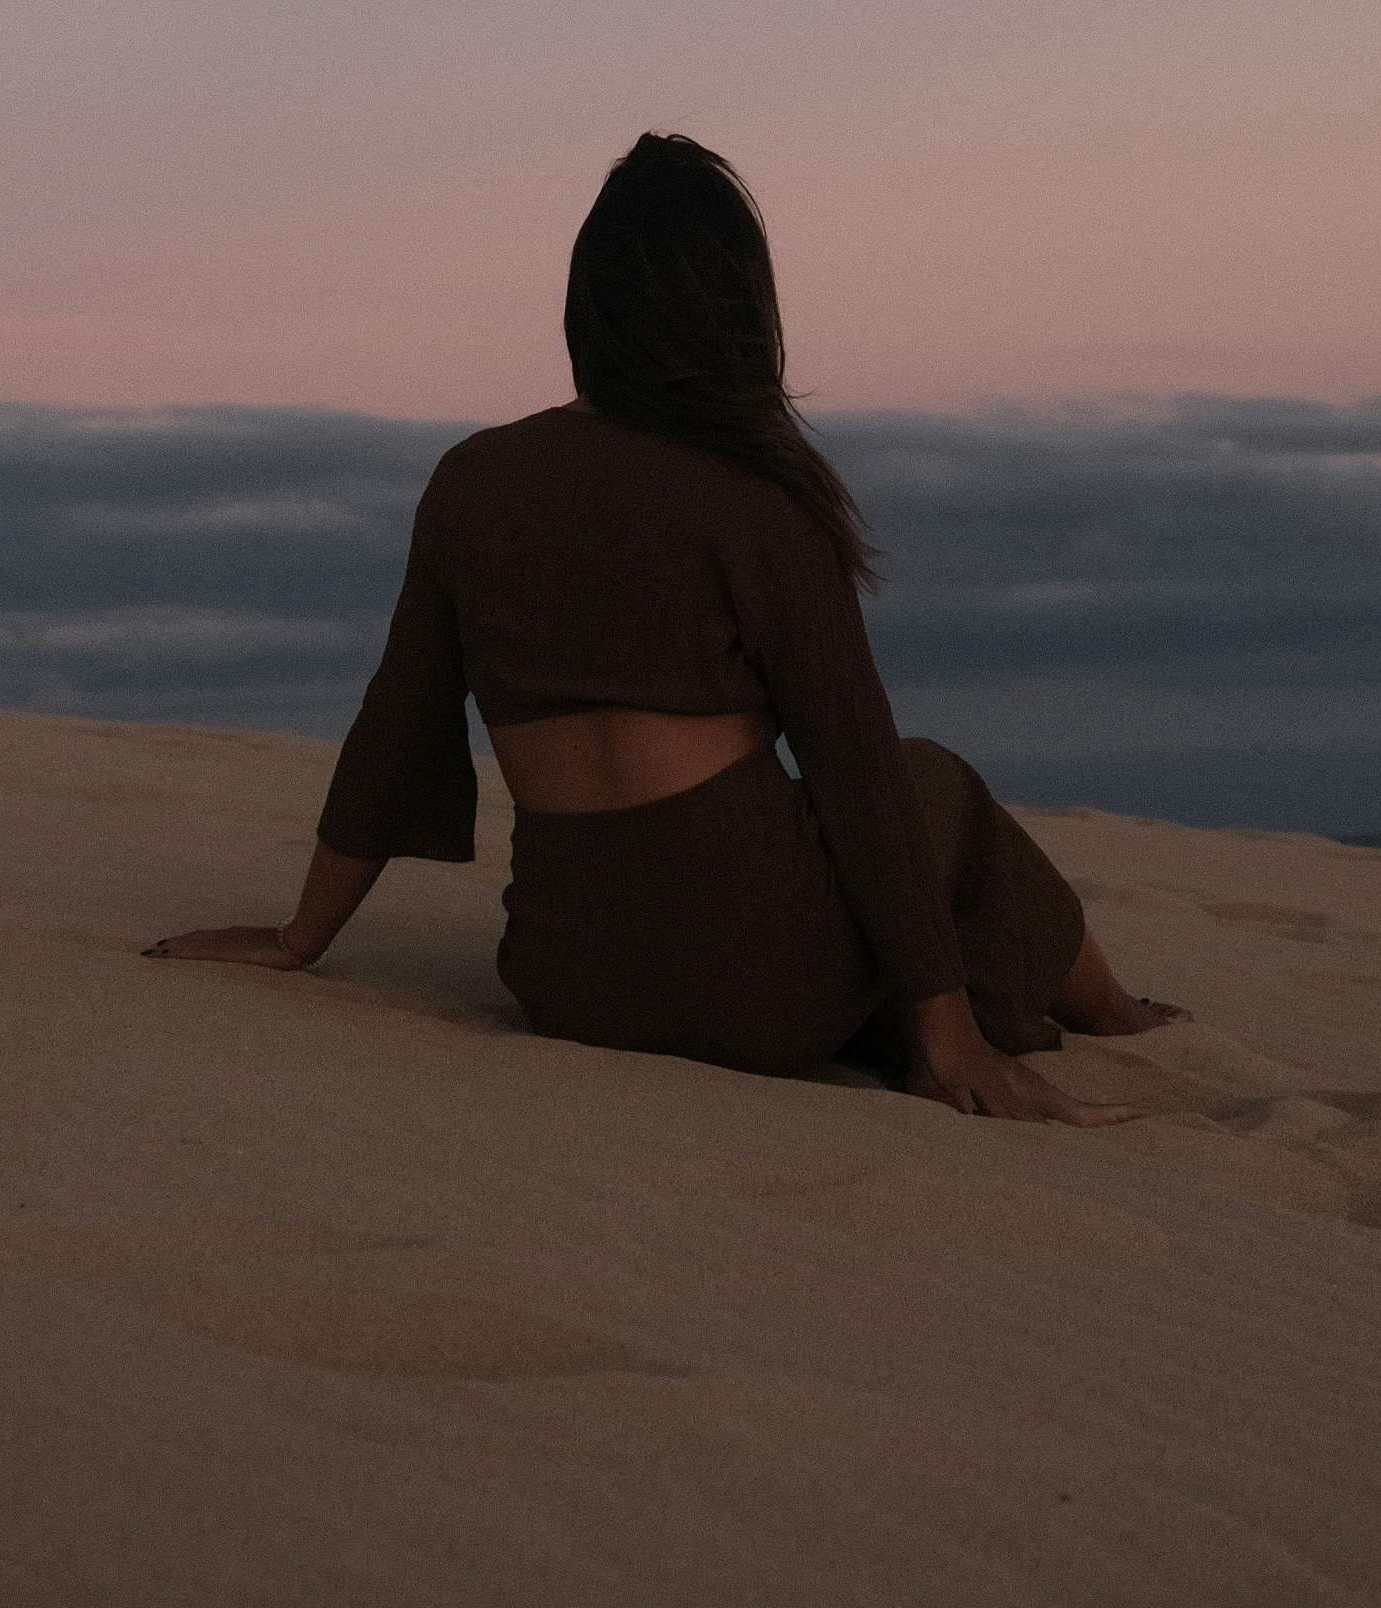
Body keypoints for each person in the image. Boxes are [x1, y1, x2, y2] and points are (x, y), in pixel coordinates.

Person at [147, 135, 1178, 1122]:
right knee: (935, 784)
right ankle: (1107, 1010)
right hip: (758, 997)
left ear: (587, 306)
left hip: (565, 986)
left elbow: (398, 724)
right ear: (737, 312)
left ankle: (1013, 1006)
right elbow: (854, 772)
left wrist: (301, 936)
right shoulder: (757, 501)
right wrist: (947, 1038)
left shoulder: (471, 481)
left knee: (881, 836)